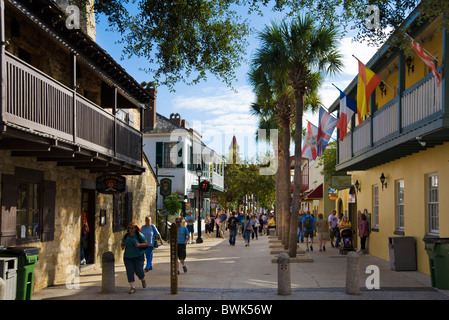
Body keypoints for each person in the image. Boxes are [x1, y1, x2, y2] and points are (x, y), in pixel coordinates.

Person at [121, 222, 148, 294]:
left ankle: (142, 279)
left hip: (138, 256)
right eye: (130, 228)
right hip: (128, 257)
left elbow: (146, 243)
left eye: (132, 228)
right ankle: (132, 287)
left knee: (139, 270)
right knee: (129, 272)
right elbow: (123, 242)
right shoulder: (126, 236)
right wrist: (123, 246)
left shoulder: (139, 235)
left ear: (136, 228)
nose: (131, 230)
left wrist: (139, 244)